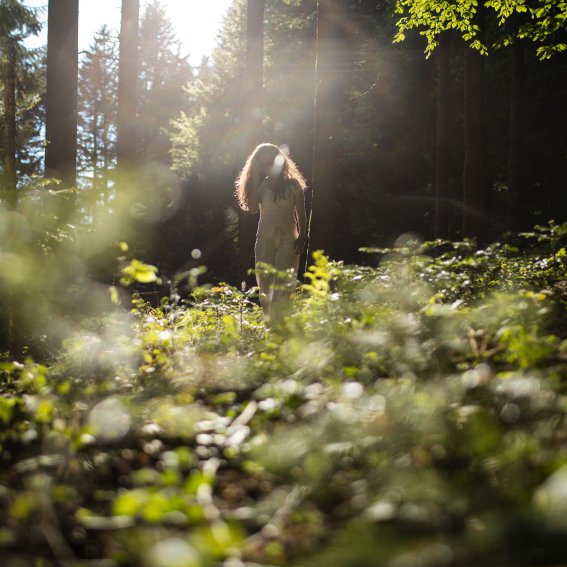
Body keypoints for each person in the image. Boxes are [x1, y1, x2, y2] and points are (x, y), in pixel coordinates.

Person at [235, 143, 307, 324]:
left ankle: (282, 324)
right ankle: (269, 324)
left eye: (271, 163)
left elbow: (301, 212)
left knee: (284, 279)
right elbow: (251, 209)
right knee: (265, 280)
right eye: (264, 164)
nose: (269, 167)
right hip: (264, 237)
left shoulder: (293, 184)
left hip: (289, 237)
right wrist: (257, 179)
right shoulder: (262, 186)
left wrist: (303, 236)